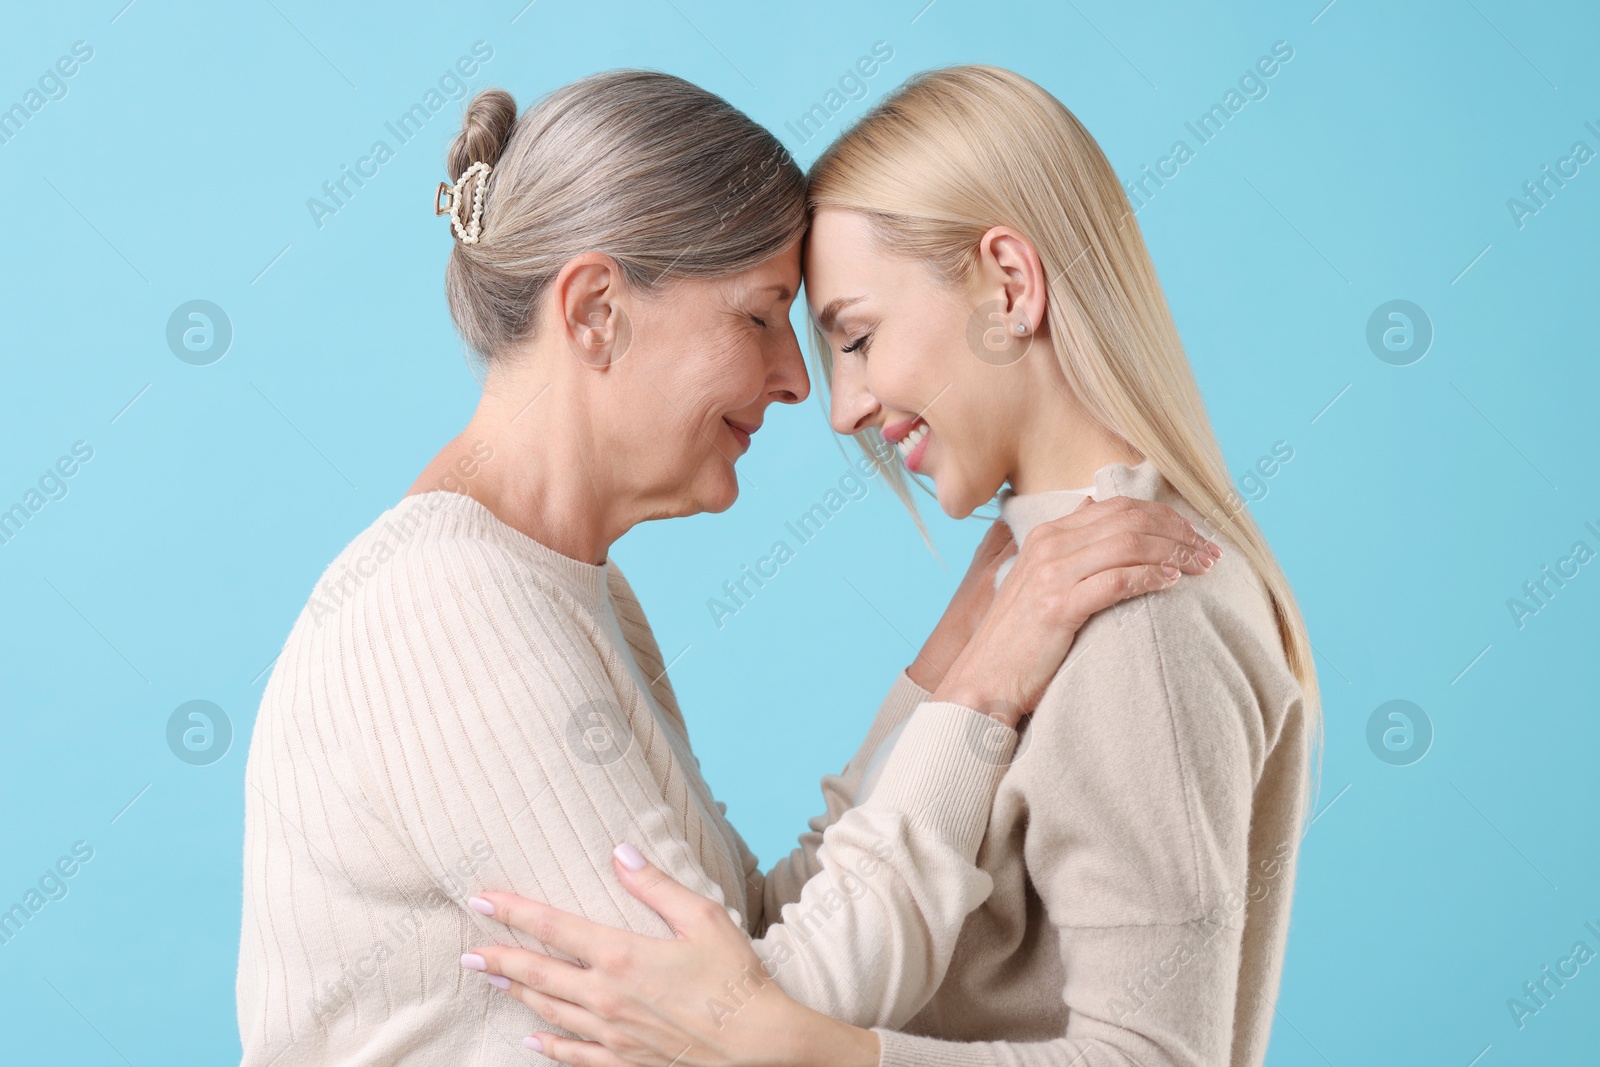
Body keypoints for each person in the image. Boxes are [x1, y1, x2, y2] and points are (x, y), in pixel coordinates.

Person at [234, 69, 1216, 1066]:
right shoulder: (443, 605)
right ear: (595, 311)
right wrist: (981, 692)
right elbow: (730, 1034)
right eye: (759, 316)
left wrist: (949, 657)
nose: (798, 380)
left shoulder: (569, 589)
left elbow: (741, 951)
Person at [465, 65, 1320, 1067]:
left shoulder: (1140, 603)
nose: (842, 407)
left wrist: (799, 1047)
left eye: (858, 338)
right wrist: (953, 679)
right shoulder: (1039, 579)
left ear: (1009, 283)